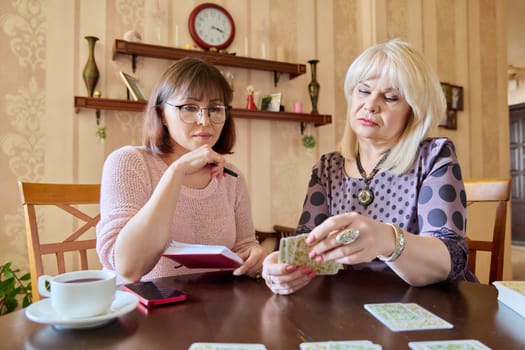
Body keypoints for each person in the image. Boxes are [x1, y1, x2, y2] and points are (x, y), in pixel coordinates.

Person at [262, 38, 472, 295]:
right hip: (350, 310)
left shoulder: (434, 156)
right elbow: (309, 249)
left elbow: (449, 258)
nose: (371, 104)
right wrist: (281, 268)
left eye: (391, 97)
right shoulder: (328, 169)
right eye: (363, 91)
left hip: (430, 306)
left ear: (413, 111)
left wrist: (388, 240)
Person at [96, 57, 266, 283]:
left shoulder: (231, 177)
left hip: (214, 309)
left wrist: (255, 255)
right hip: (142, 309)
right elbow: (128, 268)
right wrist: (176, 172)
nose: (204, 120)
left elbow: (245, 246)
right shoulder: (128, 162)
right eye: (189, 107)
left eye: (215, 109)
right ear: (162, 115)